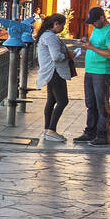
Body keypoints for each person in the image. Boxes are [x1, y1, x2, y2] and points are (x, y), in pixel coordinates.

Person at [73, 6, 110, 146]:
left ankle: (103, 135)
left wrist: (91, 47)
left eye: (95, 21)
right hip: (90, 70)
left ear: (102, 18)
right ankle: (90, 132)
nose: (93, 24)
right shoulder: (96, 29)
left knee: (101, 104)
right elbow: (98, 46)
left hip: (102, 71)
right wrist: (87, 43)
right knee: (90, 103)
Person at [34, 13, 73, 142]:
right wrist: (68, 55)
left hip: (49, 72)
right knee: (62, 101)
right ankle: (51, 130)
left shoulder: (45, 35)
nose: (63, 28)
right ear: (56, 24)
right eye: (62, 25)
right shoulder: (50, 37)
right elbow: (56, 56)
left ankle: (47, 130)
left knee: (51, 101)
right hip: (55, 72)